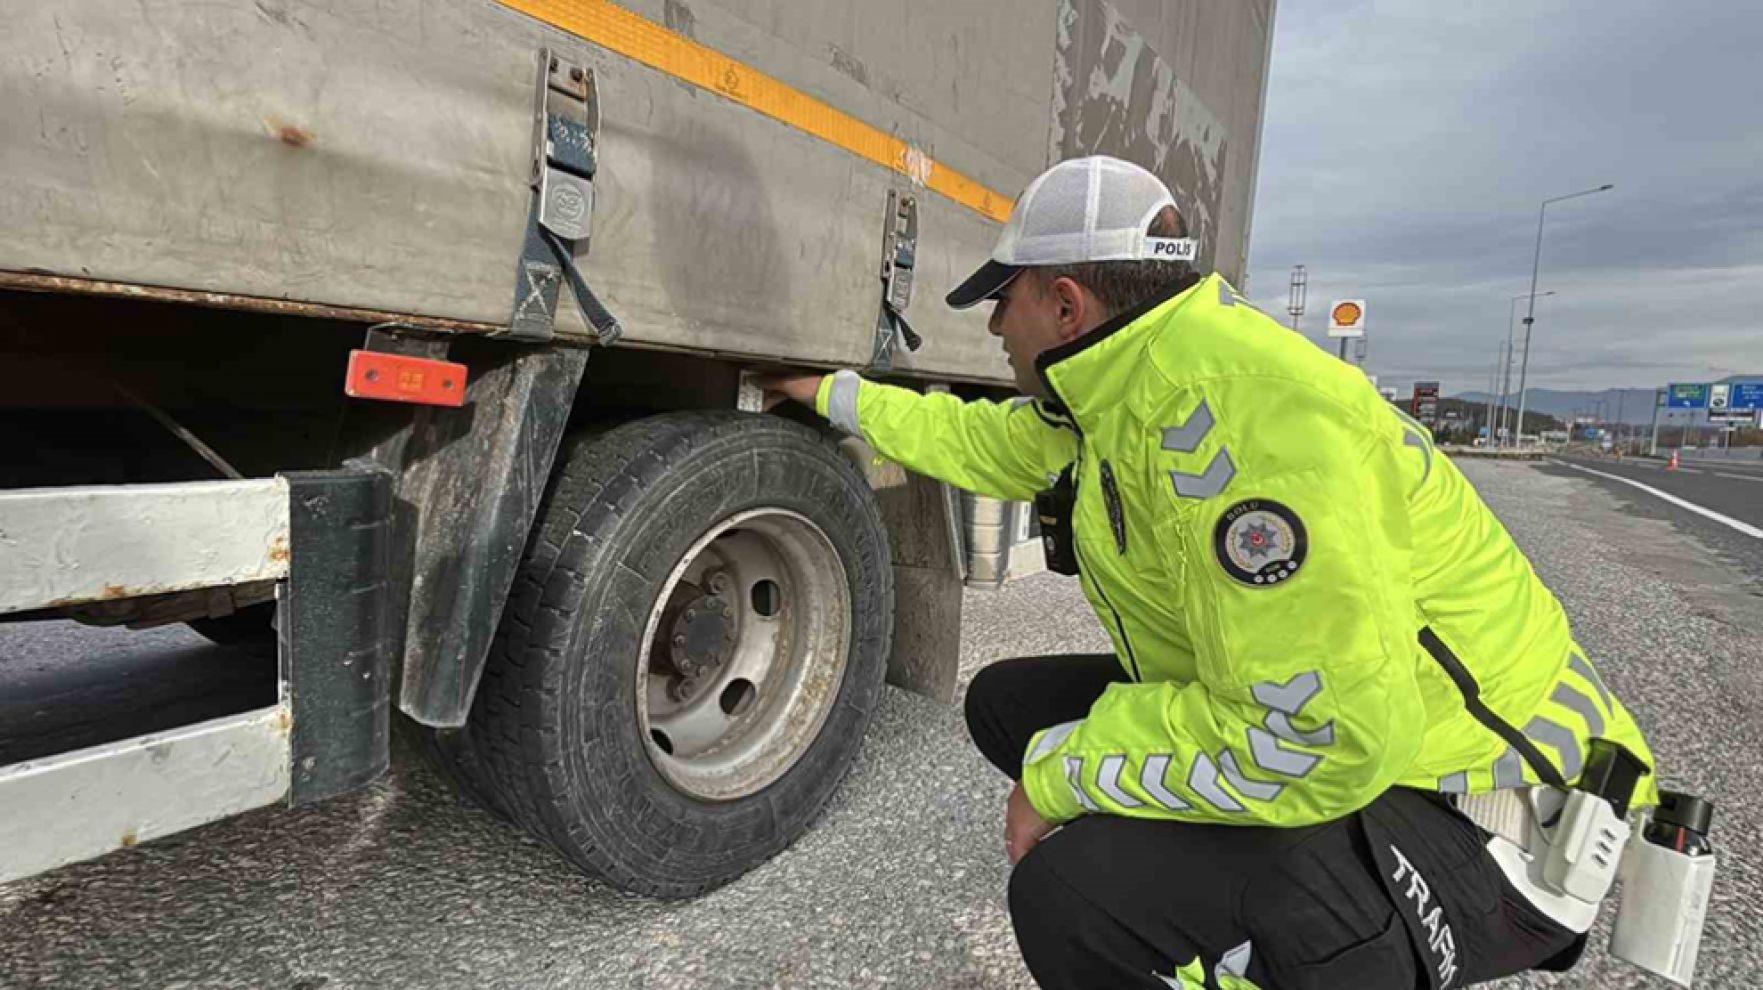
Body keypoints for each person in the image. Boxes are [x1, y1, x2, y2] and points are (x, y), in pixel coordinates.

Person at [761, 156, 1658, 989]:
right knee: (1009, 708)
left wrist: (1064, 775)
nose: (993, 325)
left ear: (1066, 305)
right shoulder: (1127, 379)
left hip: (1492, 825)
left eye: (1006, 299)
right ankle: (1189, 884)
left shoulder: (1240, 427)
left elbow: (1324, 737)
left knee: (1066, 896)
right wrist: (834, 394)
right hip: (1385, 741)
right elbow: (984, 441)